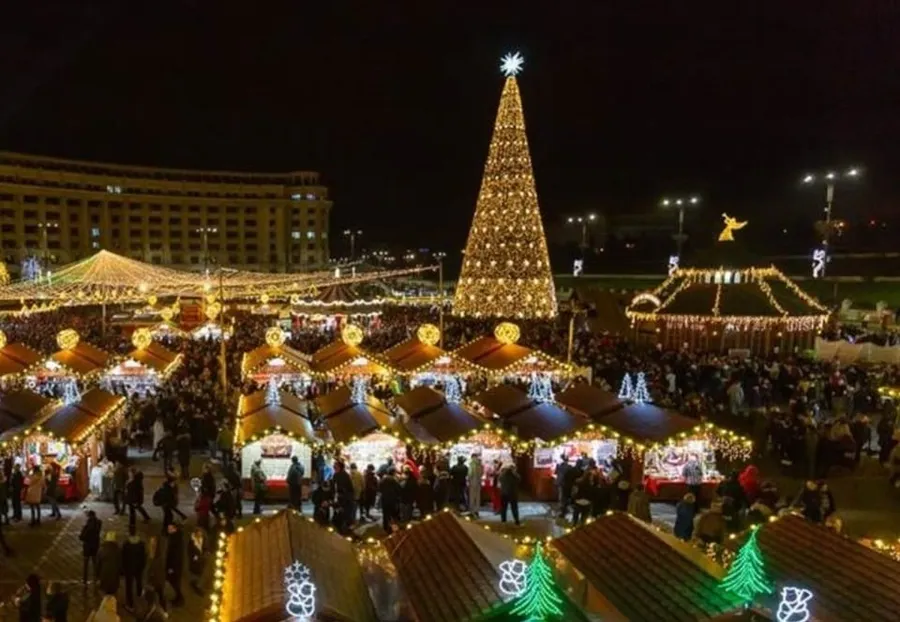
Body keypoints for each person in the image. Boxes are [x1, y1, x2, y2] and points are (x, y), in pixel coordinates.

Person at [122, 527, 147, 612]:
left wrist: (123, 569)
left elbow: (123, 558)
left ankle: (130, 604)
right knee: (139, 580)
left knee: (129, 586)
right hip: (138, 567)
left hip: (129, 568)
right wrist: (142, 566)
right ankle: (139, 594)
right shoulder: (141, 544)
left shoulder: (126, 544)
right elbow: (144, 557)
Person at [79, 510, 103, 585]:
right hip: (95, 545)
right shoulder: (99, 523)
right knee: (94, 562)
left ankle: (85, 579)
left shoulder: (88, 526)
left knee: (86, 564)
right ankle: (96, 578)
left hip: (87, 546)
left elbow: (82, 537)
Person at [165, 522, 185, 607]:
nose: (168, 530)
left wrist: (171, 567)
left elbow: (175, 555)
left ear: (175, 529)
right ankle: (178, 597)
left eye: (170, 528)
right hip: (175, 566)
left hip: (174, 567)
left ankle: (179, 598)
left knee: (175, 582)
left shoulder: (176, 540)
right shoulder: (175, 537)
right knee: (174, 582)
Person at [145, 537, 167, 612]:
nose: (151, 545)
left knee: (159, 596)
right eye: (151, 543)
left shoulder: (157, 558)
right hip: (155, 581)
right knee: (157, 596)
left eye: (153, 543)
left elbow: (155, 571)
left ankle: (162, 610)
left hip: (156, 582)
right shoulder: (152, 555)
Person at [97, 531, 121, 596]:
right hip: (114, 578)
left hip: (104, 577)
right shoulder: (118, 550)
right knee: (113, 596)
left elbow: (98, 565)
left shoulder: (101, 550)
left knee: (104, 595)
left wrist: (97, 576)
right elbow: (120, 564)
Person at [379, 469, 401, 534]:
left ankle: (385, 527)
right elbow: (398, 489)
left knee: (385, 514)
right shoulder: (394, 480)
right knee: (393, 515)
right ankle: (393, 529)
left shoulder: (383, 480)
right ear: (393, 473)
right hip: (392, 500)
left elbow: (379, 488)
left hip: (384, 499)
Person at [187, 528, 207, 595]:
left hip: (202, 560)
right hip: (195, 562)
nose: (200, 534)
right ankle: (196, 586)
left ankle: (197, 584)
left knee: (200, 573)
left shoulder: (203, 539)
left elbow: (204, 547)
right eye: (198, 533)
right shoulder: (192, 542)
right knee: (196, 573)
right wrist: (195, 557)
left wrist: (205, 552)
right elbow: (189, 552)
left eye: (200, 533)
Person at [468, 453, 483, 518]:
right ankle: (477, 511)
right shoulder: (480, 464)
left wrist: (469, 479)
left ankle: (472, 511)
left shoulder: (472, 464)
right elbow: (482, 473)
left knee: (472, 497)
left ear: (472, 457)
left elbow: (470, 473)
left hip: (473, 482)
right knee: (477, 497)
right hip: (478, 482)